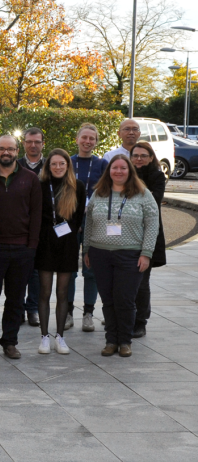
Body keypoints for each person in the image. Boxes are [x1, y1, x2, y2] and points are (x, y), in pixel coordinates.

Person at [84, 154, 159, 357]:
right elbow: (88, 222)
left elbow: (153, 225)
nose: (118, 171)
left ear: (130, 171)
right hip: (100, 254)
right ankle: (111, 340)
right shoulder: (98, 193)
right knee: (108, 299)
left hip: (130, 255)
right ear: (109, 172)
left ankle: (125, 341)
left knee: (125, 300)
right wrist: (86, 249)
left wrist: (146, 253)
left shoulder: (143, 194)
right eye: (114, 168)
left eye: (123, 168)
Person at [0, 135, 42, 360]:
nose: (6, 153)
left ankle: (10, 342)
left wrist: (31, 246)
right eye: (1, 149)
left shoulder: (31, 179)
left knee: (15, 299)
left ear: (17, 151)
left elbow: (37, 214)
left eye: (10, 149)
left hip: (22, 250)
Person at [35, 149, 85, 355]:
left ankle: (60, 337)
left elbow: (79, 217)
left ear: (67, 166)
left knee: (63, 293)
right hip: (45, 243)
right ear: (48, 166)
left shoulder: (77, 187)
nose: (57, 167)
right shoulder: (39, 186)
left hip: (67, 244)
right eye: (53, 164)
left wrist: (68, 235)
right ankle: (44, 336)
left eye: (61, 164)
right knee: (45, 292)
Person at [130, 141, 167, 339]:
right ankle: (132, 316)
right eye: (135, 155)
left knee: (142, 282)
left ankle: (140, 322)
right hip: (126, 235)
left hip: (149, 235)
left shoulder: (157, 176)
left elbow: (152, 201)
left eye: (143, 155)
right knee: (130, 282)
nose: (139, 159)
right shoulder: (125, 173)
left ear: (151, 157)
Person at [72, 123, 107, 333]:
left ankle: (87, 313)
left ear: (95, 142)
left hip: (94, 220)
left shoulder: (102, 164)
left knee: (90, 269)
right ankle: (66, 312)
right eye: (84, 137)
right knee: (68, 268)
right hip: (70, 221)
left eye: (91, 139)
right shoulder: (67, 162)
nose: (87, 142)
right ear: (77, 139)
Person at [19, 127, 46, 328]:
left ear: (42, 144)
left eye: (37, 142)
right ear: (24, 144)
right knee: (17, 270)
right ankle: (17, 308)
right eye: (29, 141)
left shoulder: (49, 166)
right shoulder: (15, 165)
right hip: (18, 225)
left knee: (36, 271)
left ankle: (33, 309)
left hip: (42, 226)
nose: (33, 145)